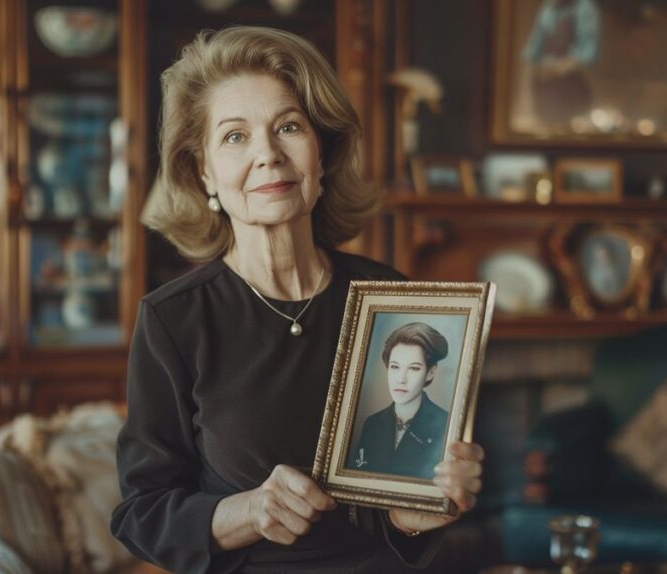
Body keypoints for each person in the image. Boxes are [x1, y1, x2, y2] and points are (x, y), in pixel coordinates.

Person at [111, 26, 485, 574]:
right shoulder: (175, 319)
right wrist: (247, 511)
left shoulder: (392, 297)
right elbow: (140, 514)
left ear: (323, 153)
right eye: (235, 136)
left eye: (288, 126)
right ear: (204, 172)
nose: (267, 154)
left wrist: (418, 512)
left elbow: (397, 509)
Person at [348, 322, 450, 479]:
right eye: (395, 367)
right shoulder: (372, 424)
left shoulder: (446, 425)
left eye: (414, 368)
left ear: (430, 373)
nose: (401, 379)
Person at [520, 0, 601, 127]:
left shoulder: (583, 8)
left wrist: (557, 69)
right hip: (544, 87)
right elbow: (533, 51)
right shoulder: (548, 8)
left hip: (569, 88)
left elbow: (587, 53)